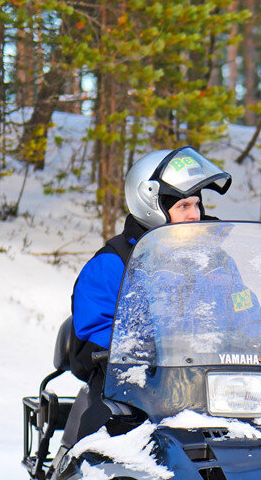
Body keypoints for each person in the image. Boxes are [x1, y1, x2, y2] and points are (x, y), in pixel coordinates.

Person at [69, 146, 232, 437]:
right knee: (103, 458)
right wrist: (158, 349)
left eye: (196, 204)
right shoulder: (114, 263)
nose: (194, 215)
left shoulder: (216, 260)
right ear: (151, 205)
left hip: (217, 394)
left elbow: (247, 314)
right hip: (135, 398)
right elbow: (96, 334)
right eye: (183, 207)